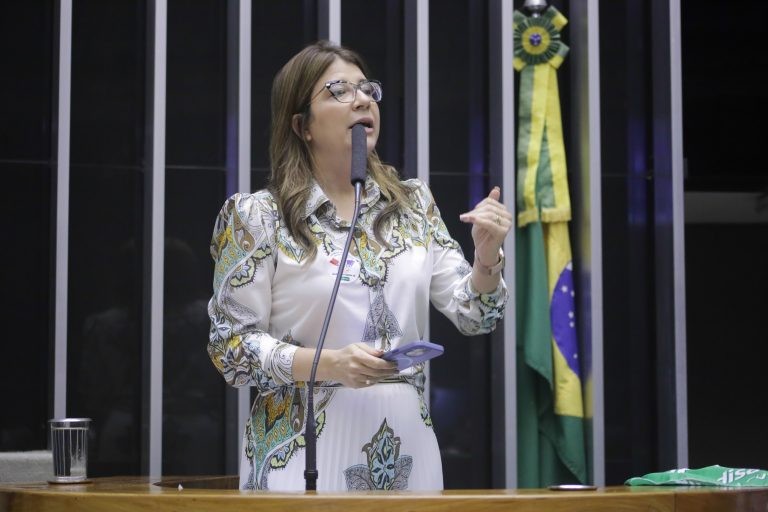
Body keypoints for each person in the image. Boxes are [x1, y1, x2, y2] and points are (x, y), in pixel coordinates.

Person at [207, 40, 512, 491]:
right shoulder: (258, 217)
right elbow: (230, 349)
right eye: (339, 91)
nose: (363, 99)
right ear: (301, 124)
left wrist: (487, 257)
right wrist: (328, 364)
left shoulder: (412, 205)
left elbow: (477, 316)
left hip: (408, 446)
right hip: (302, 446)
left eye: (367, 89)